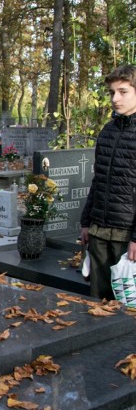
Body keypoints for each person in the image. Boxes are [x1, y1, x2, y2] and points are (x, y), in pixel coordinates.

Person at [80, 64, 136, 300]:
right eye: (112, 92)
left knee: (127, 303)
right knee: (99, 301)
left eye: (123, 92)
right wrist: (86, 221)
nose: (115, 98)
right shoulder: (108, 131)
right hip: (99, 230)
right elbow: (99, 178)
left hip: (127, 234)